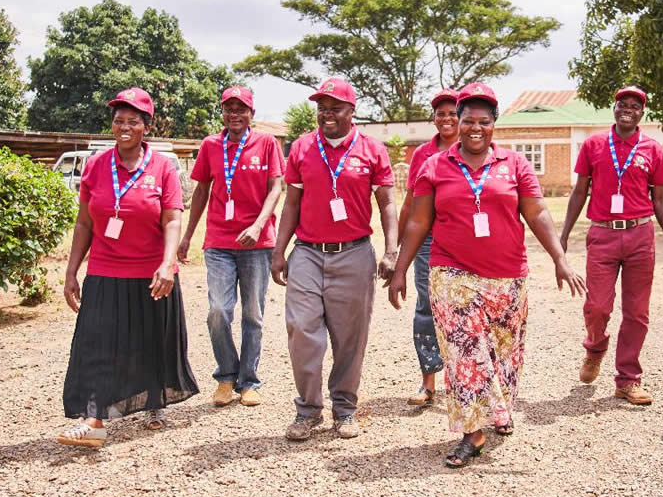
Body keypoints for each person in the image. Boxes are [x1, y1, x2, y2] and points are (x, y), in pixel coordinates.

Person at [388, 82, 586, 468]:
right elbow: (418, 222)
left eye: (483, 121)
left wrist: (560, 259)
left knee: (502, 352)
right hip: (452, 274)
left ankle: (499, 410)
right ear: (457, 124)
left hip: (508, 277)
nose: (474, 128)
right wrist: (400, 268)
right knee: (465, 352)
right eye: (467, 121)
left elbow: (538, 213)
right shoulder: (434, 166)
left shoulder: (515, 165)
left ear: (495, 125)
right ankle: (471, 432)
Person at [59, 87, 199, 447]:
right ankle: (95, 421)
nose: (124, 126)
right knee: (97, 345)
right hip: (105, 271)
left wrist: (168, 264)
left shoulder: (163, 167)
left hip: (152, 272)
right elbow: (84, 224)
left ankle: (155, 401)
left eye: (132, 121)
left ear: (145, 127)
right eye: (118, 120)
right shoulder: (96, 166)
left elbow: (171, 220)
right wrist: (72, 271)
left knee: (151, 341)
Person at [271, 78, 398, 441]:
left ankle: (344, 408)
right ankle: (308, 410)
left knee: (350, 337)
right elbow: (291, 203)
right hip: (308, 253)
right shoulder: (301, 148)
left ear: (351, 110)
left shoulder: (372, 150)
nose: (326, 114)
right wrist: (279, 251)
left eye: (334, 107)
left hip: (355, 253)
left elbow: (387, 203)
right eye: (321, 107)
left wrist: (391, 251)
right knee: (302, 330)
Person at [560, 86, 663, 405]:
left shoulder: (652, 149)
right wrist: (562, 237)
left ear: (642, 113)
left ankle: (628, 379)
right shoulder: (593, 145)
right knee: (597, 306)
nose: (628, 108)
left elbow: (660, 198)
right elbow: (579, 193)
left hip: (640, 235)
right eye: (622, 103)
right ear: (614, 108)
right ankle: (595, 348)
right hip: (602, 235)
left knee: (637, 312)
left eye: (635, 105)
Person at [180, 86, 284, 408]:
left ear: (251, 113)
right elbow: (200, 192)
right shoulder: (211, 145)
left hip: (257, 243)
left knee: (253, 314)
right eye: (229, 109)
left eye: (241, 109)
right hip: (219, 243)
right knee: (218, 311)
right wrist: (188, 236)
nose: (234, 115)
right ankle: (226, 375)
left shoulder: (266, 143)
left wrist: (257, 226)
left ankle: (249, 381)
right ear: (222, 112)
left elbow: (276, 187)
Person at [397, 88, 459, 406]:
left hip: (464, 240)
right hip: (428, 242)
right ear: (433, 118)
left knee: (464, 310)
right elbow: (410, 202)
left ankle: (465, 382)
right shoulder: (422, 154)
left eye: (452, 113)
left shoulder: (474, 148)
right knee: (427, 308)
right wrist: (396, 249)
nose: (446, 118)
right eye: (441, 113)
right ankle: (428, 383)